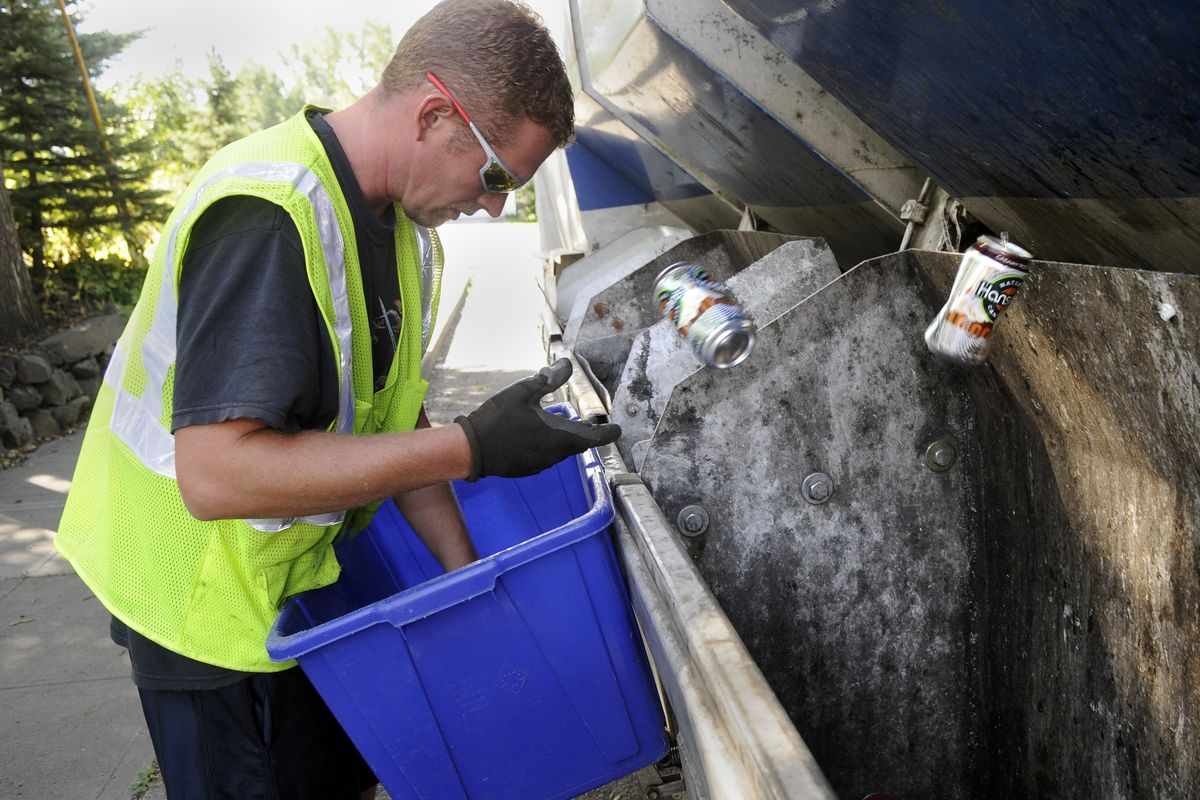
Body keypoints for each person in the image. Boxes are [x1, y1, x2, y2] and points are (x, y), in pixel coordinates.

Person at [54, 2, 619, 797]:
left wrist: (473, 588)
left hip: (295, 601)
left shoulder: (397, 229)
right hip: (209, 621)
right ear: (433, 114)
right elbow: (216, 475)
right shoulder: (269, 215)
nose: (496, 205)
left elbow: (394, 418)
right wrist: (474, 449)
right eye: (496, 176)